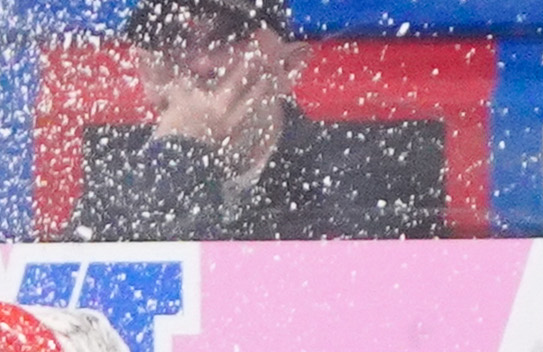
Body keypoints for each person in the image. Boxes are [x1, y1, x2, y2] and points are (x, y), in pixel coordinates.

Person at [65, 0, 445, 241]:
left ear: (289, 67)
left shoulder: (364, 175)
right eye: (172, 36)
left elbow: (237, 295)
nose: (200, 64)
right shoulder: (119, 176)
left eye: (227, 35)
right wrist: (179, 153)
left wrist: (186, 149)